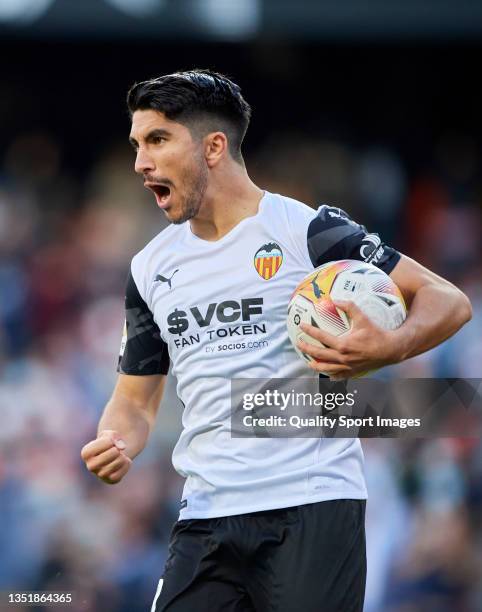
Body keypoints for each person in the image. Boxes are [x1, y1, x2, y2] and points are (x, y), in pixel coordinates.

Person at [80, 70, 472, 612]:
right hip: (205, 516)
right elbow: (133, 402)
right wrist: (115, 440)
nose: (140, 162)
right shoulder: (150, 268)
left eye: (157, 140)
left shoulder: (305, 231)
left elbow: (448, 300)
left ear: (213, 146)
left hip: (311, 505)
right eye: (136, 144)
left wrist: (389, 347)